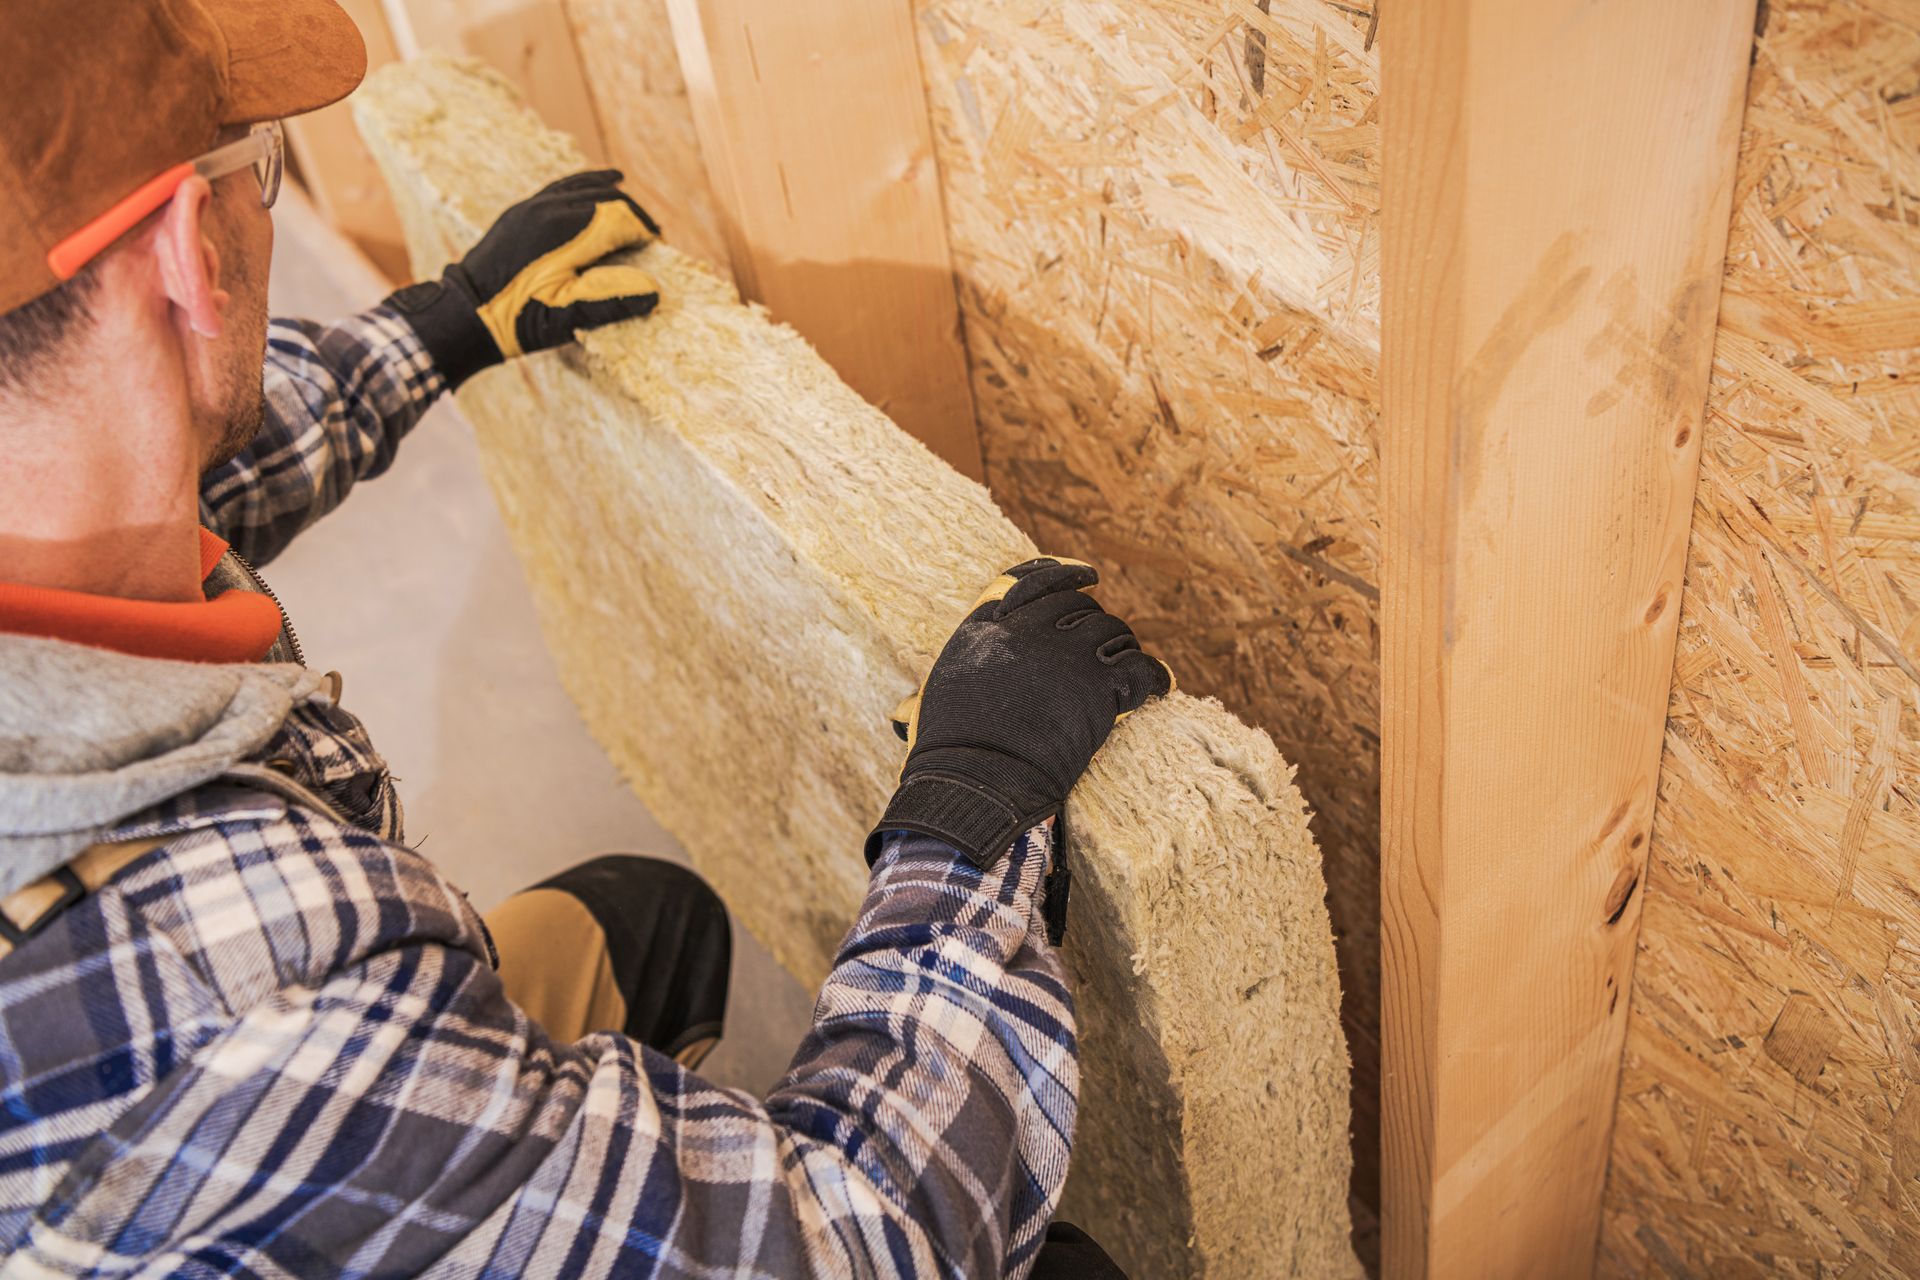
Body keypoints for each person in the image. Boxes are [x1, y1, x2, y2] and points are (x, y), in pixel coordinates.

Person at [0, 2, 1176, 1277]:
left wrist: (441, 324)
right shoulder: (242, 989)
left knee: (649, 925)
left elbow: (162, 462)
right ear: (188, 251)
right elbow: (865, 1237)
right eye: (253, 163)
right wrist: (968, 818)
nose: (262, 197)